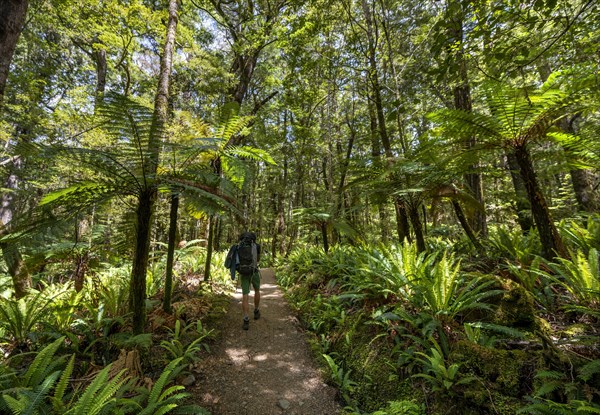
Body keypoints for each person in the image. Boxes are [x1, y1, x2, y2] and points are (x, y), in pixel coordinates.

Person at [235, 231, 261, 330]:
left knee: (245, 295)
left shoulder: (238, 247)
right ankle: (256, 311)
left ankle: (246, 319)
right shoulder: (256, 246)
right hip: (254, 271)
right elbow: (257, 260)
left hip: (243, 272)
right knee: (257, 290)